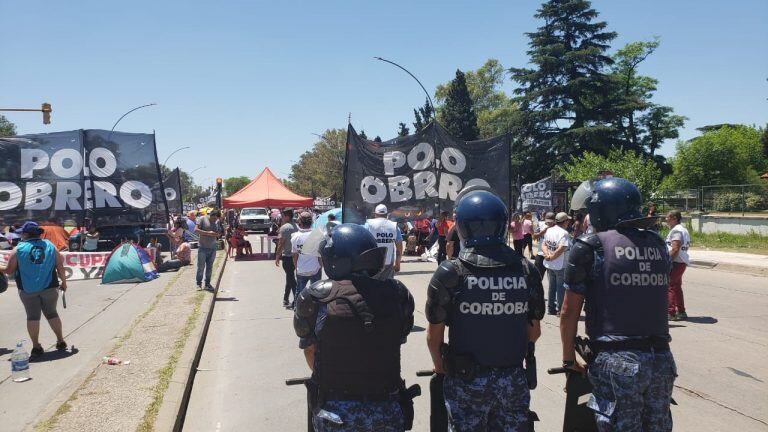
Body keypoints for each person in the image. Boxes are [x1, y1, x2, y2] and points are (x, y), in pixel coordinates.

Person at [560, 177, 675, 432]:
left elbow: (568, 312)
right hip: (661, 359)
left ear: (599, 211)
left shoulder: (592, 246)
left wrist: (569, 359)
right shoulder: (657, 244)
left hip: (617, 360)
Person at [425, 190, 544, 431]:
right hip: (512, 378)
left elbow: (433, 336)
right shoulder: (526, 270)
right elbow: (534, 332)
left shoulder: (451, 272)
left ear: (462, 227)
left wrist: (440, 368)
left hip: (465, 379)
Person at [293, 223, 416, 431]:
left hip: (336, 412)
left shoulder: (316, 296)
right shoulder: (398, 294)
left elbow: (310, 350)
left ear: (335, 259)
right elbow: (398, 339)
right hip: (387, 408)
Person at [0, 222, 68, 358]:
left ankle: (36, 346)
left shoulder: (18, 249)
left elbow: (9, 270)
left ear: (25, 234)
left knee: (32, 317)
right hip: (50, 286)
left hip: (27, 289)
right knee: (52, 313)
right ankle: (60, 341)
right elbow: (60, 267)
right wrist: (64, 283)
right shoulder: (50, 245)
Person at [364, 204, 403, 280]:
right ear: (386, 214)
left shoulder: (368, 225)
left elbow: (362, 242)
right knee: (387, 286)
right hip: (388, 262)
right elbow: (399, 246)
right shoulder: (394, 226)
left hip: (372, 262)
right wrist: (398, 263)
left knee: (371, 285)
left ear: (375, 214)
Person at [542, 212, 570, 315]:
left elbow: (544, 244)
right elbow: (561, 248)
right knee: (560, 288)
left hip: (550, 263)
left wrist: (547, 256)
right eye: (568, 221)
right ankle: (560, 310)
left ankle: (550, 308)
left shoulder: (549, 230)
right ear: (565, 222)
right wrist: (551, 257)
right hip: (559, 264)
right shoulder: (564, 233)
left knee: (552, 286)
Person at [291, 212, 322, 299]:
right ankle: (318, 312)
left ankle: (297, 312)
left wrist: (297, 267)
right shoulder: (317, 235)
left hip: (301, 269)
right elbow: (320, 255)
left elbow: (294, 256)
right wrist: (321, 266)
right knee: (317, 294)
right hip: (315, 268)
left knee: (300, 294)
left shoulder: (295, 237)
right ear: (311, 222)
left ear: (300, 222)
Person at [665, 210, 690, 321]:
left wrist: (668, 261)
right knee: (676, 287)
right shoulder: (683, 229)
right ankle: (681, 311)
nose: (666, 219)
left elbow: (675, 248)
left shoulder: (676, 231)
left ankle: (670, 313)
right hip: (681, 262)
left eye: (667, 217)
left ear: (674, 218)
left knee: (669, 286)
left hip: (676, 262)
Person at [275, 209, 298, 307]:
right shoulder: (297, 226)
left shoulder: (284, 228)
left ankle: (297, 300)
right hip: (296, 256)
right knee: (290, 277)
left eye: (283, 216)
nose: (282, 218)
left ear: (287, 216)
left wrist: (277, 256)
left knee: (291, 279)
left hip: (287, 257)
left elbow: (281, 243)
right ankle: (285, 298)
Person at [196, 210, 222, 290]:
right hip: (202, 247)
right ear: (211, 215)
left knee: (210, 267)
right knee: (201, 267)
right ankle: (198, 283)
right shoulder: (202, 219)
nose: (215, 220)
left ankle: (207, 284)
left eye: (216, 219)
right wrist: (208, 233)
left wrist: (218, 234)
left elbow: (218, 233)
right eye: (214, 219)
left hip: (212, 248)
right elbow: (196, 230)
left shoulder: (216, 222)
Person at [532, 212, 553, 281]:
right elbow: (534, 237)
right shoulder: (540, 224)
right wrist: (543, 232)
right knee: (537, 278)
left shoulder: (557, 227)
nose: (549, 223)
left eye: (551, 221)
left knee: (552, 281)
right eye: (548, 221)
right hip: (540, 255)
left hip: (552, 256)